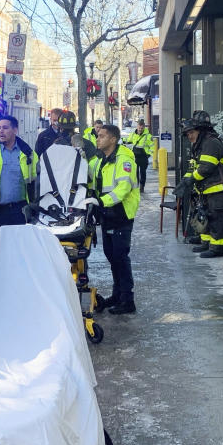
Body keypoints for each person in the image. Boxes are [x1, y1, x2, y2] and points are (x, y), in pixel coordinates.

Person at [87, 124, 140, 314]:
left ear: (113, 139)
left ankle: (127, 300)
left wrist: (100, 201)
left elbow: (123, 189)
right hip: (108, 214)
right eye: (97, 136)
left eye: (101, 136)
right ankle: (117, 295)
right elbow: (89, 172)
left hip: (121, 214)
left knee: (120, 258)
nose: (97, 139)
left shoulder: (123, 159)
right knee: (112, 257)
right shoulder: (101, 159)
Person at [181, 111, 223, 258]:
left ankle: (217, 249)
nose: (189, 136)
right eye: (187, 134)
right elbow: (193, 166)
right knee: (206, 216)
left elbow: (206, 167)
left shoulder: (210, 143)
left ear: (200, 130)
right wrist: (185, 181)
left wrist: (192, 179)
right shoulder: (199, 144)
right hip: (207, 190)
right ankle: (206, 243)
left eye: (191, 132)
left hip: (219, 190)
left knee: (217, 220)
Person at [126, 119, 154, 193]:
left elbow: (152, 146)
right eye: (139, 128)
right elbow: (128, 142)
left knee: (143, 172)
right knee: (135, 173)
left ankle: (142, 187)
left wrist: (148, 154)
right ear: (137, 126)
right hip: (134, 156)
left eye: (142, 128)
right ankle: (137, 186)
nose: (140, 129)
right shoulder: (133, 134)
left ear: (144, 127)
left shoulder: (148, 136)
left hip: (143, 156)